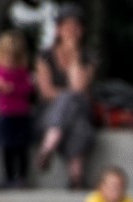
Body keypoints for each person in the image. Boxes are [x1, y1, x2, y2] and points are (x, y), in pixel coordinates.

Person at [35, 3, 97, 189]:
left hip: (77, 112)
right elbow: (46, 91)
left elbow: (79, 86)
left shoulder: (88, 57)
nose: (71, 31)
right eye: (67, 26)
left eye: (76, 26)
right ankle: (76, 176)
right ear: (59, 29)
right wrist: (70, 95)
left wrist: (75, 57)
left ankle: (48, 147)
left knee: (75, 106)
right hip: (49, 114)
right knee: (73, 107)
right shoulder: (44, 55)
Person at [0, 30, 35, 189]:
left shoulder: (22, 72)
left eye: (13, 57)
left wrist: (13, 88)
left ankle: (23, 177)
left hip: (21, 115)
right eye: (6, 56)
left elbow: (29, 89)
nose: (9, 61)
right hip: (4, 115)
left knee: (21, 148)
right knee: (7, 148)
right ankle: (9, 177)